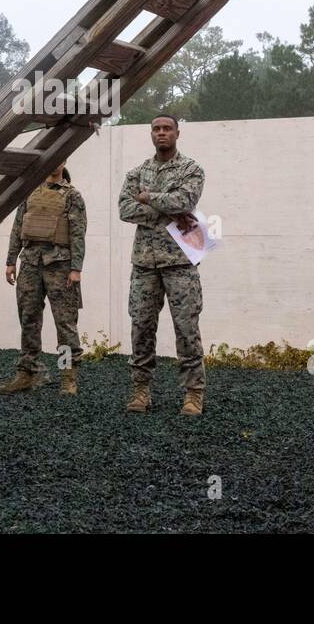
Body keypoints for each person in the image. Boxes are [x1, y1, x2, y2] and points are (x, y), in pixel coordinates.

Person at [117, 114, 207, 416]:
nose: (161, 133)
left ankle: (193, 394)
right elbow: (124, 209)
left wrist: (148, 198)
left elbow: (185, 201)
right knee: (141, 327)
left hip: (180, 262)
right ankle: (141, 391)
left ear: (178, 133)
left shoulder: (191, 169)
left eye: (167, 128)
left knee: (186, 328)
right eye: (156, 129)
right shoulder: (136, 172)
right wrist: (162, 205)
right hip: (144, 263)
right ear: (150, 134)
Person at [0, 164, 87, 396]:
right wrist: (10, 261)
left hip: (60, 265)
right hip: (30, 263)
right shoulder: (29, 191)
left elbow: (78, 233)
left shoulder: (72, 195)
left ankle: (68, 377)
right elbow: (18, 227)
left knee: (65, 324)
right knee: (28, 319)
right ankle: (27, 373)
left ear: (65, 161)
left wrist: (76, 269)